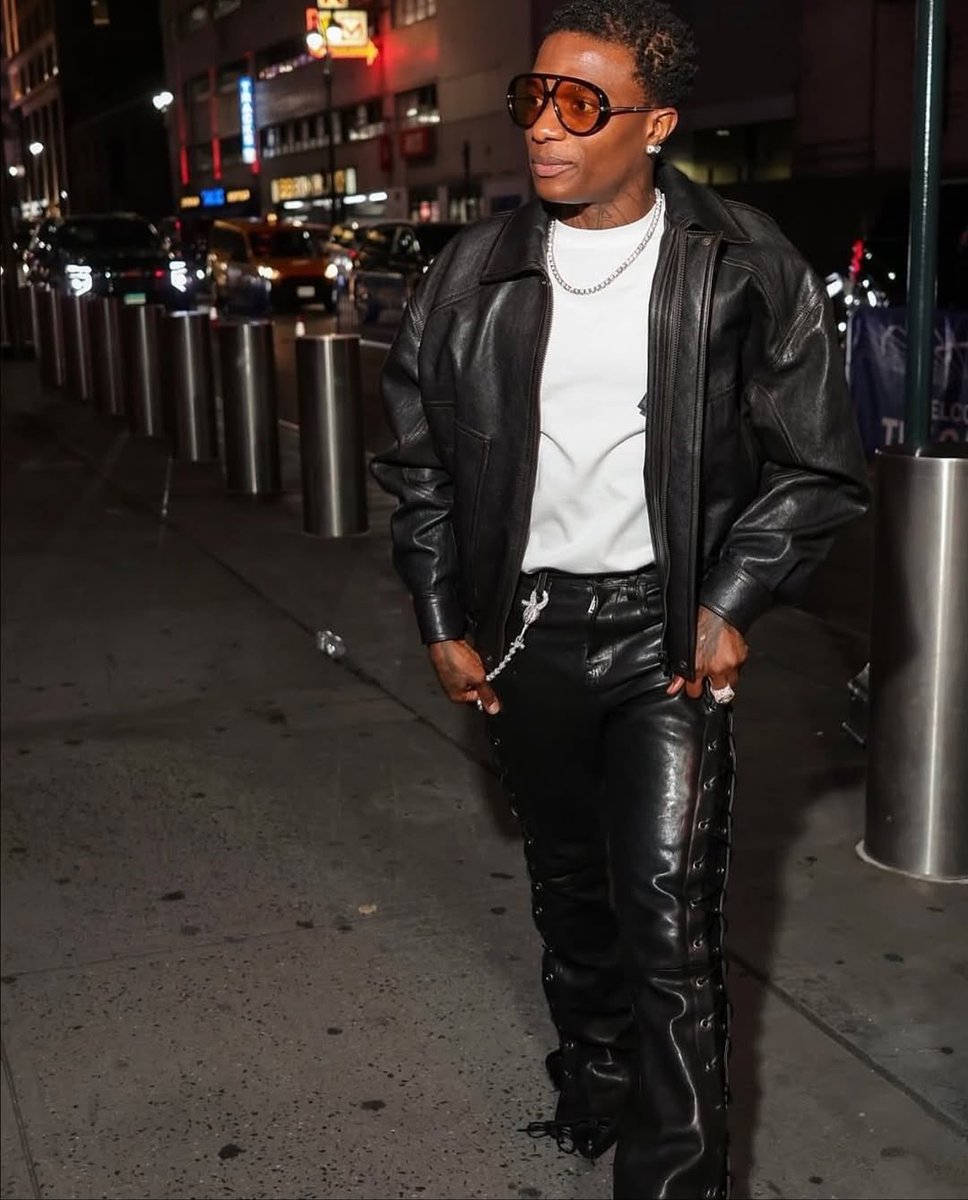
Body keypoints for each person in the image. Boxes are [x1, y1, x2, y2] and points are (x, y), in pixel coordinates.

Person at [371, 1, 868, 1195]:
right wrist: (442, 618)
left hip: (668, 641)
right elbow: (417, 466)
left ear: (655, 124)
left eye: (579, 105)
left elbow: (817, 467)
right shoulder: (472, 272)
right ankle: (593, 1075)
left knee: (668, 932)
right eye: (532, 98)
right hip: (526, 633)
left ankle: (674, 1178)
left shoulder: (740, 262)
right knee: (571, 896)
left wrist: (729, 600)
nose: (544, 126)